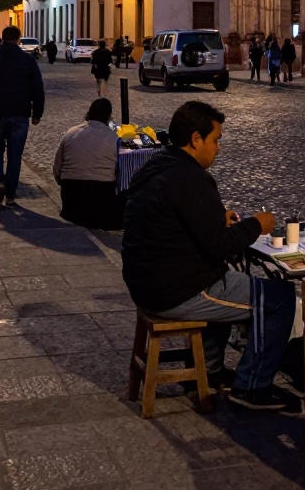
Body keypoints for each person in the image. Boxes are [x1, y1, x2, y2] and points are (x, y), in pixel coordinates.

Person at [121, 100, 295, 410]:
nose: (217, 148)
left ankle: (209, 371)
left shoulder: (158, 166)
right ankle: (252, 388)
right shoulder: (190, 178)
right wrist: (257, 224)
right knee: (279, 297)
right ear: (196, 139)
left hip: (146, 282)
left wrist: (217, 220)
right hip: (175, 289)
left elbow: (184, 225)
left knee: (229, 279)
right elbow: (220, 247)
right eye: (215, 140)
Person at [0, 25, 44, 207]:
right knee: (15, 154)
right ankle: (10, 194)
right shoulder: (27, 61)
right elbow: (38, 89)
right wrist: (37, 113)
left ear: (2, 39)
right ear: (19, 39)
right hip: (20, 113)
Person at [53, 97, 125, 229]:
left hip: (71, 197)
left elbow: (57, 168)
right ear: (108, 117)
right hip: (101, 196)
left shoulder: (71, 133)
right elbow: (120, 172)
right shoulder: (113, 138)